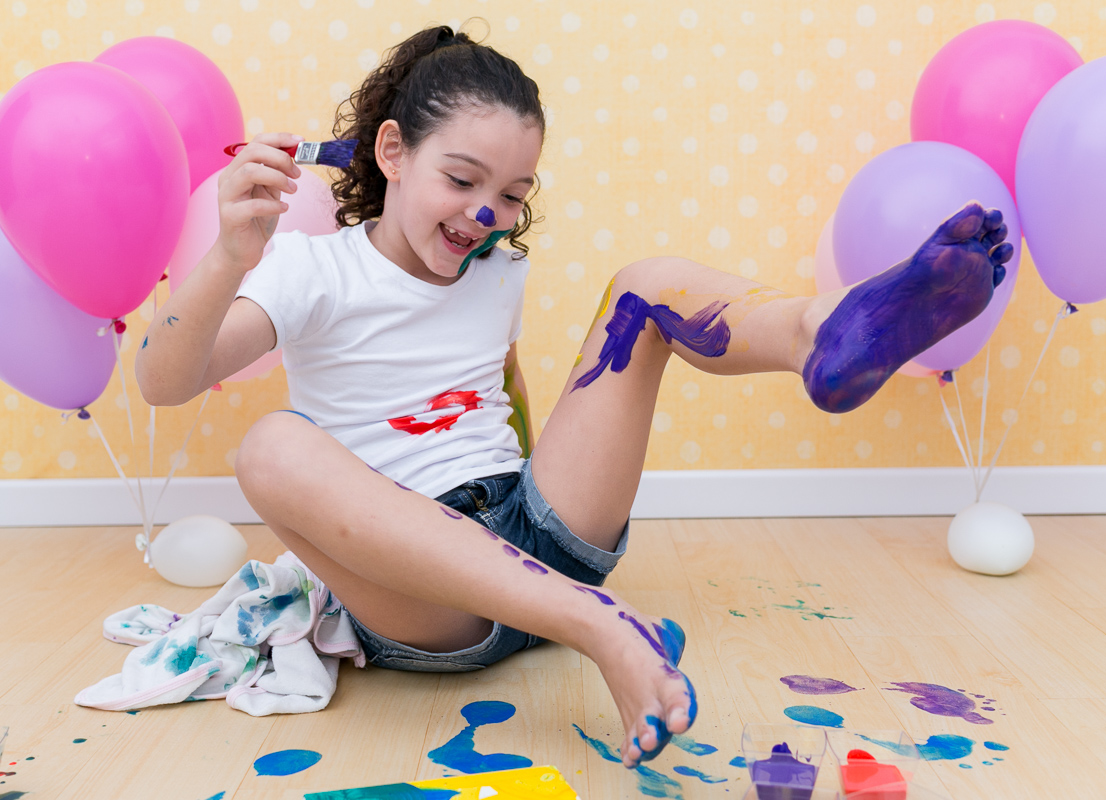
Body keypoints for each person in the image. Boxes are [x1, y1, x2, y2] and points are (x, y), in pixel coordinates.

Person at [135, 24, 1011, 768]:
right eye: (463, 179)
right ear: (393, 152)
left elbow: (498, 398)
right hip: (434, 602)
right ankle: (599, 628)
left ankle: (820, 337)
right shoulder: (309, 270)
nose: (487, 214)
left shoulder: (495, 270)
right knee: (267, 447)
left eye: (512, 194)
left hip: (544, 532)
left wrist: (529, 467)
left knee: (647, 284)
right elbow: (162, 383)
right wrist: (229, 257)